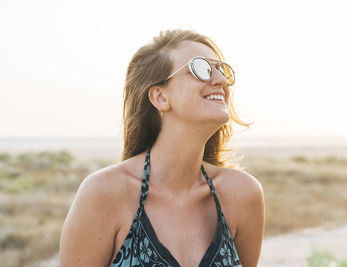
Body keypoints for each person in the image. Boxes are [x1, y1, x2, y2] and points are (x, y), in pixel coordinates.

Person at [59, 29, 265, 267]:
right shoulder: (105, 193)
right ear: (160, 97)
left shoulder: (242, 193)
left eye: (220, 69)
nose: (219, 80)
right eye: (201, 69)